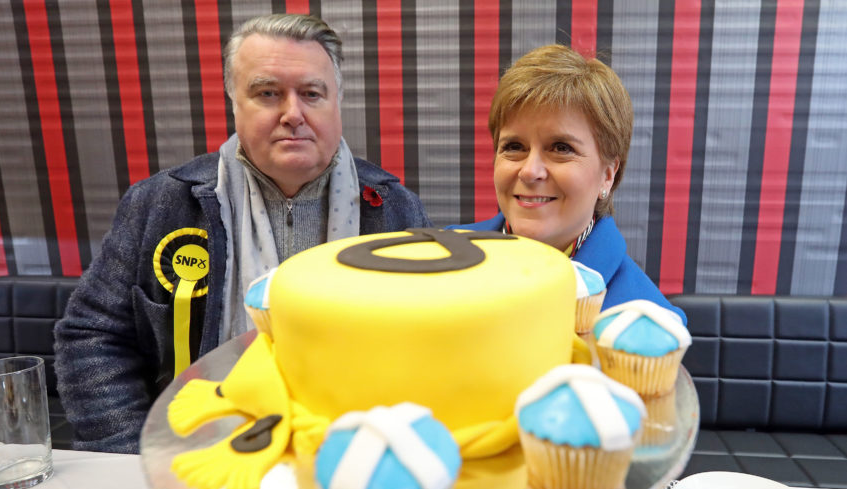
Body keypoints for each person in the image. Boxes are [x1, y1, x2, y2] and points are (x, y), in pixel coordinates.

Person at [54, 13, 431, 454]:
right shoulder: (160, 205)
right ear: (235, 104)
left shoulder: (394, 209)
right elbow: (93, 336)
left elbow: (426, 348)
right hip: (194, 454)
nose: (294, 114)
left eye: (312, 94)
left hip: (350, 459)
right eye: (267, 93)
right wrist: (130, 455)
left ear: (337, 103)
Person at [449, 44, 685, 323]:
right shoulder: (442, 256)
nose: (530, 171)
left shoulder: (649, 324)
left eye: (561, 148)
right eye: (514, 146)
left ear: (607, 175)